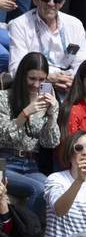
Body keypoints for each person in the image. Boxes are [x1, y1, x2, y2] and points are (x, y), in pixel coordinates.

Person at [8, 0, 86, 97]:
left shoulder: (75, 24)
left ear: (62, 2)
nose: (51, 3)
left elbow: (83, 61)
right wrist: (48, 78)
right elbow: (16, 69)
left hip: (70, 84)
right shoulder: (19, 25)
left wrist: (72, 80)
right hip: (35, 86)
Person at [0, 52, 57, 216]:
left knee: (52, 187)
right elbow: (4, 136)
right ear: (22, 75)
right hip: (6, 163)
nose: (36, 84)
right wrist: (25, 113)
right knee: (38, 189)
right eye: (32, 78)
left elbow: (50, 143)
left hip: (31, 166)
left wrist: (51, 114)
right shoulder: (3, 98)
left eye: (42, 80)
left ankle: (33, 236)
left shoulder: (47, 103)